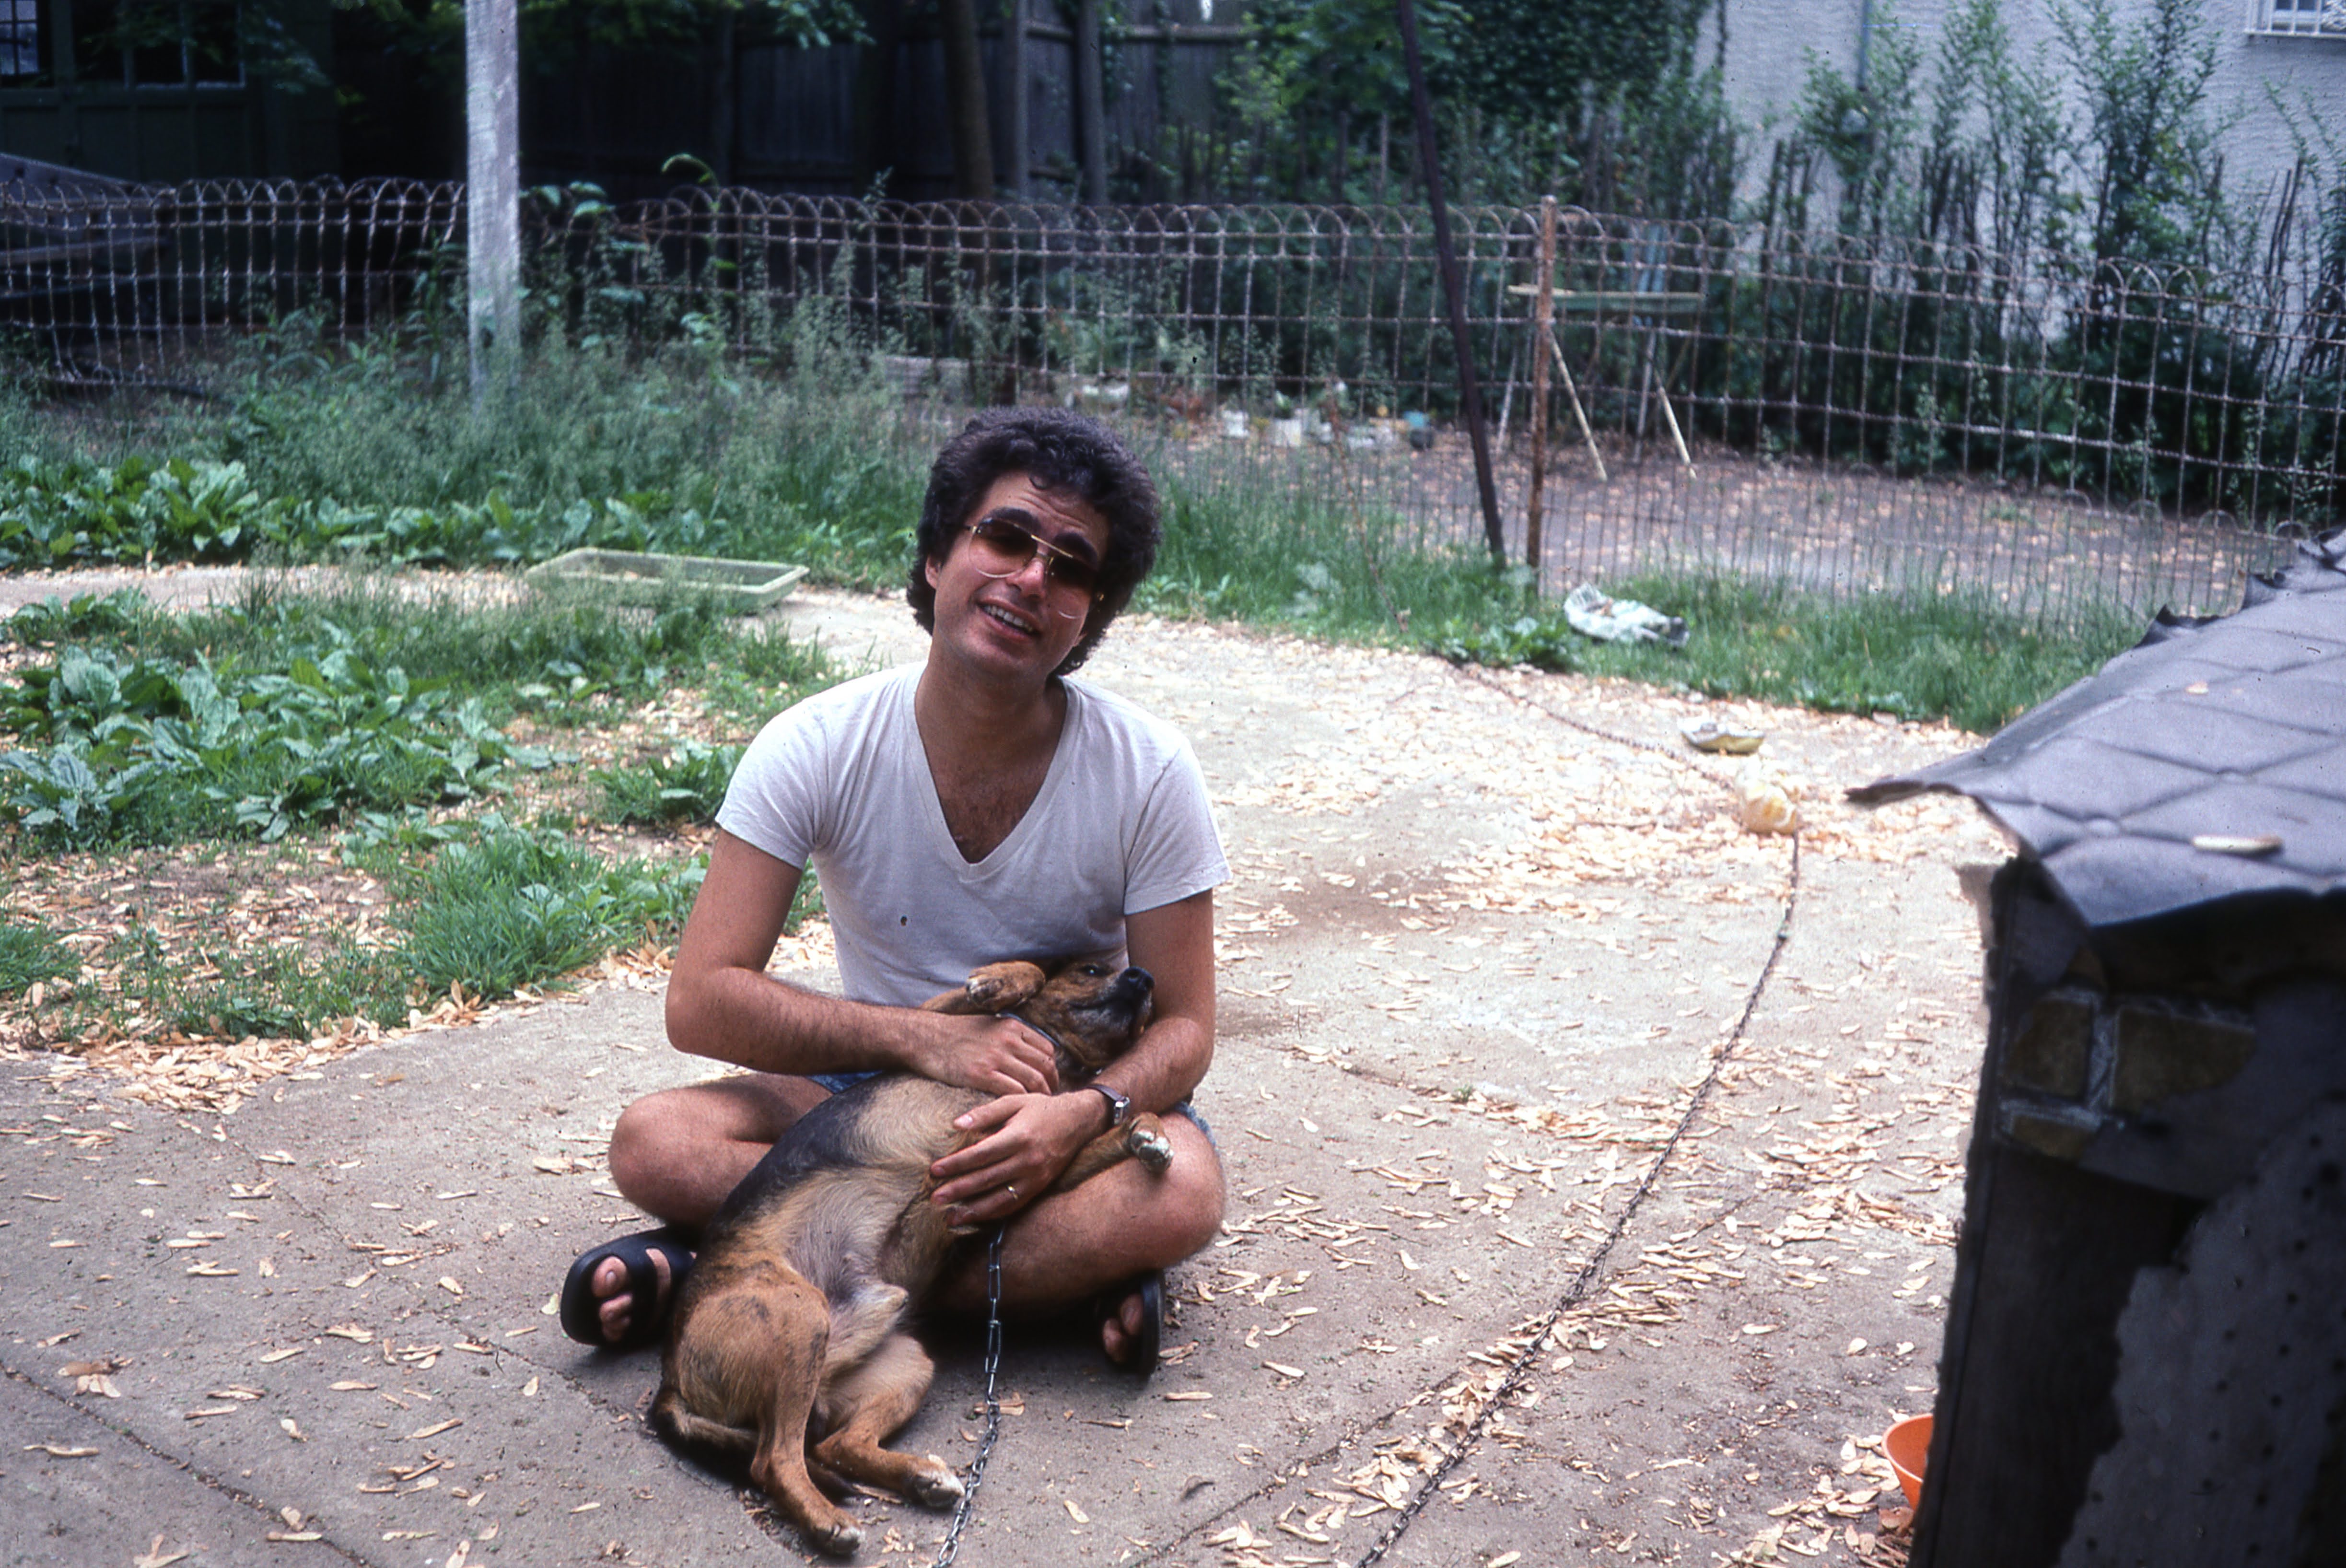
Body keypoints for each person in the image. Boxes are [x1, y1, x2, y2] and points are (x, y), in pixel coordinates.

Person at [558, 407, 1228, 1371]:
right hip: (865, 1095)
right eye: (1005, 538)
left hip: (1057, 1096)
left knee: (1183, 1190)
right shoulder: (814, 743)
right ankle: (1046, 1286)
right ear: (936, 555)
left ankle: (739, 1276)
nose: (1030, 578)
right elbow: (700, 998)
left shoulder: (1149, 768)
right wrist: (925, 1038)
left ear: (1088, 614)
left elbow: (1187, 1027)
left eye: (1070, 567)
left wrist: (1077, 1119)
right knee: (656, 1142)